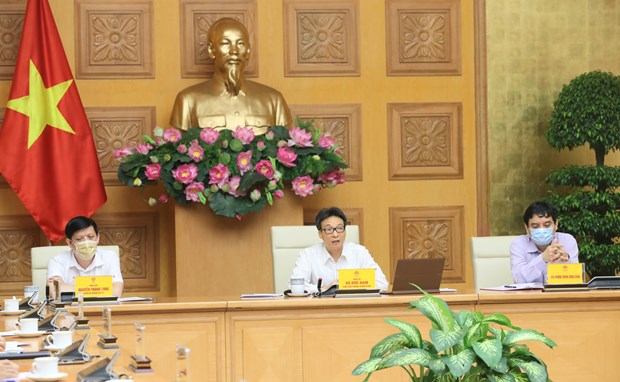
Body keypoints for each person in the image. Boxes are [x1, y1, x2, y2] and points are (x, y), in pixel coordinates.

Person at [169, 17, 292, 134]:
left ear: (248, 51)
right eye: (225, 43)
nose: (234, 51)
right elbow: (178, 149)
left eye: (240, 44)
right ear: (211, 50)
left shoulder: (274, 100)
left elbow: (287, 149)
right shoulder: (188, 100)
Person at [289, 207, 389, 293]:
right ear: (320, 234)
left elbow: (382, 283)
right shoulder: (308, 255)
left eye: (340, 228)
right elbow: (294, 286)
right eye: (329, 230)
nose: (335, 234)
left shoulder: (359, 252)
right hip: (321, 310)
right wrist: (323, 289)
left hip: (354, 308)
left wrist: (350, 285)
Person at [47, 216, 124, 298]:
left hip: (102, 308)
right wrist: (99, 289)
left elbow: (116, 292)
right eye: (79, 239)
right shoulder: (57, 260)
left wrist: (69, 288)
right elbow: (55, 292)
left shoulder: (110, 257)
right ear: (69, 243)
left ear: (98, 238)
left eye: (91, 237)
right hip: (70, 310)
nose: (86, 242)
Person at [510, 201, 579, 284]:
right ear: (527, 228)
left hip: (559, 295)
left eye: (547, 225)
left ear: (556, 224)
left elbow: (574, 281)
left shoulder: (567, 240)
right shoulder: (518, 244)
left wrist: (565, 262)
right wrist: (543, 258)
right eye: (535, 226)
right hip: (530, 296)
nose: (541, 230)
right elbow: (519, 279)